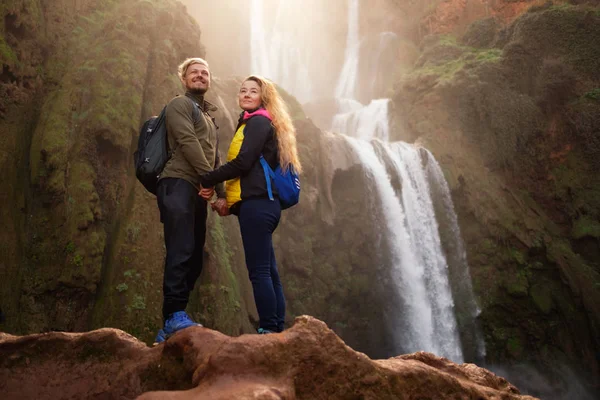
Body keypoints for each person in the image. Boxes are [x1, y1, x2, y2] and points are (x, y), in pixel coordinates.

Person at [199, 75, 302, 334]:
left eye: (253, 91)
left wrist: (208, 178)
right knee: (269, 272)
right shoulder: (262, 122)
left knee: (259, 273)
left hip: (258, 206)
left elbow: (243, 163)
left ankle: (268, 328)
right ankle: (276, 327)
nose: (246, 94)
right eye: (243, 91)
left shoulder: (257, 122)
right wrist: (231, 206)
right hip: (263, 206)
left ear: (262, 97)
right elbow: (253, 172)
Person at [154, 57, 225, 344]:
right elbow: (187, 142)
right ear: (184, 79)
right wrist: (208, 180)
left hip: (197, 188)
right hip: (177, 183)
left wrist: (220, 194)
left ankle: (170, 322)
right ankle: (173, 316)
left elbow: (214, 157)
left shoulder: (208, 117)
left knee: (194, 258)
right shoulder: (179, 105)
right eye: (194, 72)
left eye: (205, 72)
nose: (200, 75)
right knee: (181, 249)